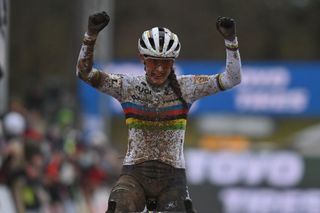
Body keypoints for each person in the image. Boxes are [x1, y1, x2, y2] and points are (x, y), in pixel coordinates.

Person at [76, 11, 241, 213]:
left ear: (173, 63)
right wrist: (90, 36)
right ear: (143, 59)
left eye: (167, 63)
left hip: (172, 178)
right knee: (119, 208)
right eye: (154, 61)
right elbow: (84, 73)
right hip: (135, 174)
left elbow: (232, 78)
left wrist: (231, 41)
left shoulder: (186, 87)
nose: (160, 69)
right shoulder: (127, 86)